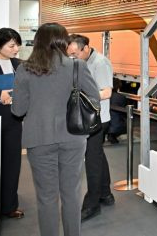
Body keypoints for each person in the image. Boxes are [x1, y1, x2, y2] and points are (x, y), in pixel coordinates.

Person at [12, 23, 99, 236]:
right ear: (63, 41)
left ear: (38, 41)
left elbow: (18, 109)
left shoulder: (25, 68)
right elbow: (94, 98)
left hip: (39, 139)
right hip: (73, 137)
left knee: (46, 197)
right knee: (72, 194)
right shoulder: (77, 66)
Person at [67, 34, 115, 221]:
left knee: (92, 160)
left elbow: (106, 92)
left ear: (86, 48)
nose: (72, 57)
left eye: (75, 53)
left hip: (97, 119)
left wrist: (79, 97)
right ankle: (105, 193)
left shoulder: (100, 63)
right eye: (69, 54)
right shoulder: (81, 62)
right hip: (89, 117)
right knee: (97, 156)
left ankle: (92, 204)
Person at [0, 28, 24, 219]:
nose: (16, 49)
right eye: (12, 45)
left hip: (14, 119)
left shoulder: (19, 64)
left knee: (12, 164)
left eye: (17, 45)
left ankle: (9, 206)